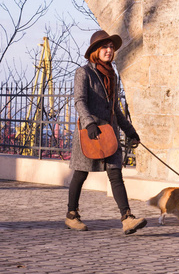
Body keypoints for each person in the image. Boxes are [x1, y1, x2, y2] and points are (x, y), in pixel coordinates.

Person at [66, 30, 147, 235]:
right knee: (80, 173)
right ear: (95, 51)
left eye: (111, 47)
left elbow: (115, 109)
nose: (109, 50)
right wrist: (89, 123)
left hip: (109, 134)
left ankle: (127, 217)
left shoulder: (112, 75)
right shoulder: (83, 73)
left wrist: (130, 132)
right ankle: (72, 215)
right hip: (89, 132)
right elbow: (80, 101)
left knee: (115, 174)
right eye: (105, 47)